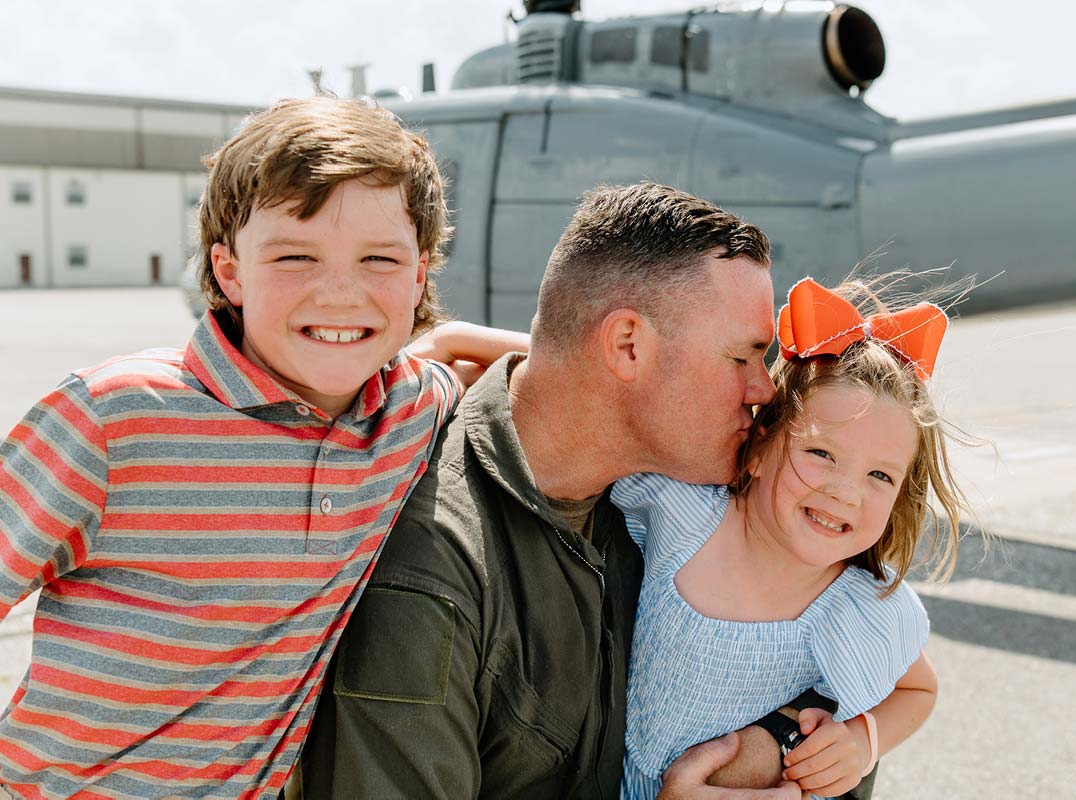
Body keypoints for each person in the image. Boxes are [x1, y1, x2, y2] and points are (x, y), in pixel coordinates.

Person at [0, 97, 524, 798]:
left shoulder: (412, 409)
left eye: (379, 259)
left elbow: (518, 365)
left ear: (421, 272)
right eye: (295, 256)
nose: (340, 292)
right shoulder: (113, 418)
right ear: (229, 270)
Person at [299, 182, 810, 799]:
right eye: (743, 358)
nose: (765, 389)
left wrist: (776, 740)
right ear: (628, 345)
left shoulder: (668, 494)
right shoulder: (433, 568)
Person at [613, 277, 969, 800]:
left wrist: (861, 742)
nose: (845, 492)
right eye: (821, 454)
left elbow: (919, 688)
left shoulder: (860, 604)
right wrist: (461, 342)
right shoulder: (683, 513)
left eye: (880, 477)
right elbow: (610, 396)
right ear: (758, 446)